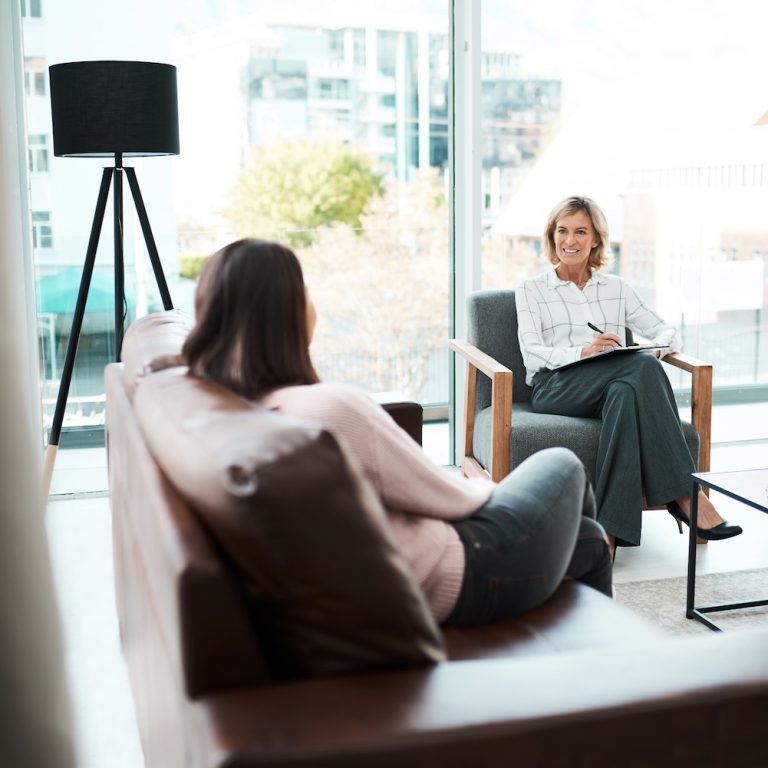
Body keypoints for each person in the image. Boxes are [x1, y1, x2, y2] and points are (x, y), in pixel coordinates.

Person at [180, 237, 613, 627]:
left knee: (589, 541)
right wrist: (497, 493)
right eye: (305, 290)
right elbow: (450, 497)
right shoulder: (329, 409)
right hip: (466, 569)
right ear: (285, 313)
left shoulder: (233, 407)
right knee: (562, 464)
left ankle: (593, 669)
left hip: (412, 571)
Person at [515, 195, 742, 556]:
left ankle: (607, 535)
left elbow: (666, 331)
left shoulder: (616, 288)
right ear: (551, 236)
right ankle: (686, 495)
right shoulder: (532, 290)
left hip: (609, 387)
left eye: (580, 232)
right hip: (555, 386)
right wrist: (585, 351)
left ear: (595, 240)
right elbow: (532, 352)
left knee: (626, 388)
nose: (569, 241)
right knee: (639, 371)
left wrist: (654, 351)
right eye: (562, 231)